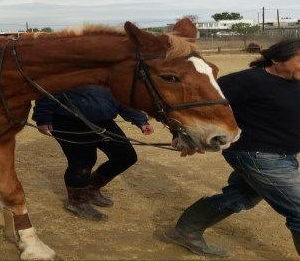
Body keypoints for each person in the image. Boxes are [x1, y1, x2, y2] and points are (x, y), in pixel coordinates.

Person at [166, 39, 300, 257]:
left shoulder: (295, 82)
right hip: (257, 155)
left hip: (284, 156)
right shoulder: (246, 81)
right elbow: (196, 107)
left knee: (241, 196)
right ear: (277, 59)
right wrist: (184, 136)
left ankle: (186, 230)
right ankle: (186, 230)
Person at [32, 85, 154, 221]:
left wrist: (140, 120)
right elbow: (50, 89)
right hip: (69, 120)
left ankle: (91, 188)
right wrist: (43, 118)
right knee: (83, 162)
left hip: (103, 121)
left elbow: (121, 98)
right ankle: (77, 202)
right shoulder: (70, 67)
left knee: (125, 156)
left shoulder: (109, 70)